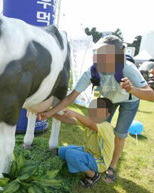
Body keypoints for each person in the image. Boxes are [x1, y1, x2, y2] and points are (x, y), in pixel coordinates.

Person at [38, 35, 154, 183]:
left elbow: (151, 95)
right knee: (95, 127)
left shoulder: (128, 68)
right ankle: (96, 157)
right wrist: (49, 113)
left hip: (130, 100)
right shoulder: (92, 72)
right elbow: (70, 98)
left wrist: (132, 89)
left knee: (119, 134)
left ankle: (111, 165)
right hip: (109, 100)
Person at [54, 98, 114, 188]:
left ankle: (93, 175)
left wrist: (75, 114)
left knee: (70, 154)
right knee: (62, 151)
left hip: (99, 162)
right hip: (88, 151)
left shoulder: (106, 127)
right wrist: (50, 113)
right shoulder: (90, 122)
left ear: (107, 115)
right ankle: (76, 163)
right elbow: (68, 120)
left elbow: (90, 125)